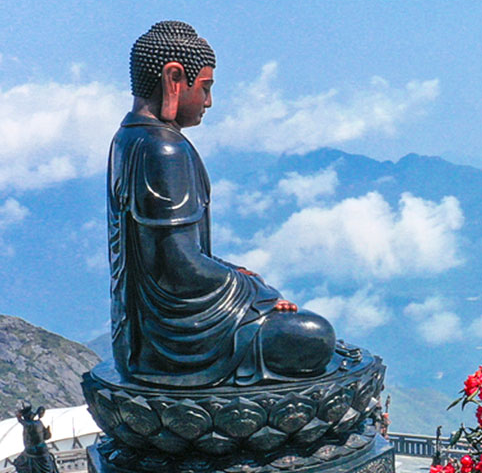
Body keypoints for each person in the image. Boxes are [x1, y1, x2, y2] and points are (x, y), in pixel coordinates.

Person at [107, 21, 337, 387]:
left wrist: (234, 274)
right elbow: (177, 265)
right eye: (205, 88)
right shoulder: (163, 148)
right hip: (175, 346)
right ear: (174, 79)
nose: (209, 102)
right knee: (313, 336)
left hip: (138, 339)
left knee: (282, 310)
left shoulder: (127, 138)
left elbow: (177, 255)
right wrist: (258, 296)